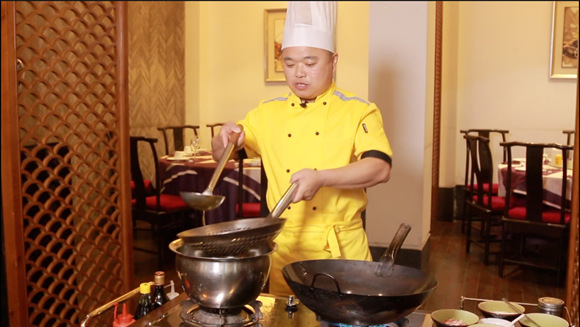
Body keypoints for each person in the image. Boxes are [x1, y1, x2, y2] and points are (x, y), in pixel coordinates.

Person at [211, 1, 393, 296]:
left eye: (310, 63)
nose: (299, 73)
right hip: (286, 249)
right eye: (290, 63)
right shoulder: (266, 113)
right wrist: (222, 139)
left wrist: (321, 178)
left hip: (342, 249)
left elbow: (380, 168)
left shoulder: (359, 111)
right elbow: (224, 155)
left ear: (333, 62)